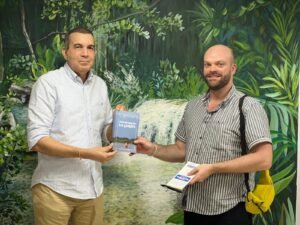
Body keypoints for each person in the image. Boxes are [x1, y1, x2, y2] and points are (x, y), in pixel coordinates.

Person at [134, 44, 273, 225]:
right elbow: (181, 150)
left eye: (219, 64)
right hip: (192, 209)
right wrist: (152, 149)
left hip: (230, 211)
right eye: (208, 65)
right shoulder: (192, 106)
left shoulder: (248, 107)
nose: (212, 69)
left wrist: (213, 168)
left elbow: (264, 158)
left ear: (233, 68)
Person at [27, 27, 123, 225]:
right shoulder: (48, 84)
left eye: (90, 47)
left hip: (93, 191)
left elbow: (106, 134)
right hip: (54, 191)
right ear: (65, 52)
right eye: (78, 46)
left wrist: (117, 124)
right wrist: (86, 153)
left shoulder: (100, 85)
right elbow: (37, 140)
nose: (85, 53)